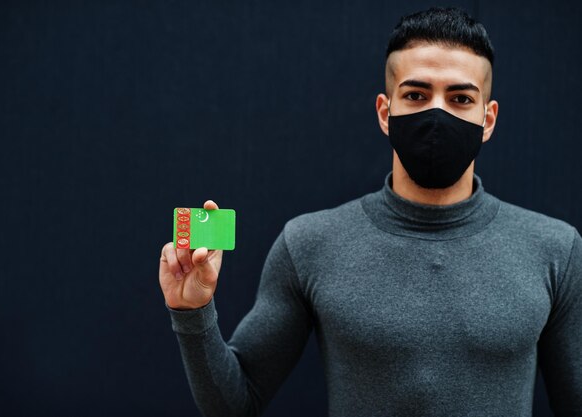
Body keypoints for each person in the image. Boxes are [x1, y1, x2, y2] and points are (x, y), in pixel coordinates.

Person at [159, 7, 581, 417]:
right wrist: (192, 312)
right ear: (385, 112)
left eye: (460, 98)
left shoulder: (555, 251)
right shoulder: (310, 243)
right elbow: (236, 403)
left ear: (487, 119)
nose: (437, 114)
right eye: (416, 95)